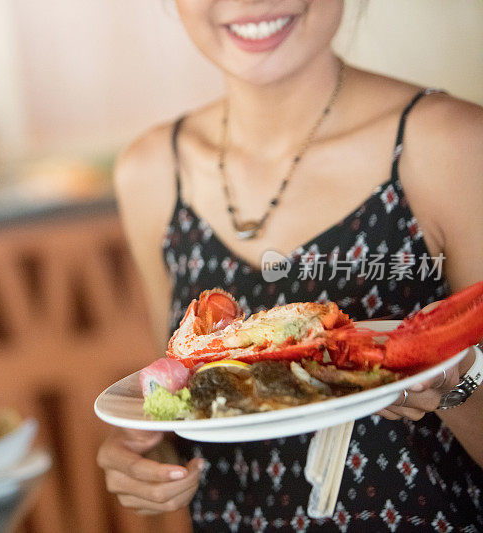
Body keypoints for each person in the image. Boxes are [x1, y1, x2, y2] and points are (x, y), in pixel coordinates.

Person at [97, 1, 483, 530]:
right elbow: (173, 386)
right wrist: (151, 458)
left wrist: (455, 388)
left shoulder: (454, 145)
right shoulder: (151, 173)